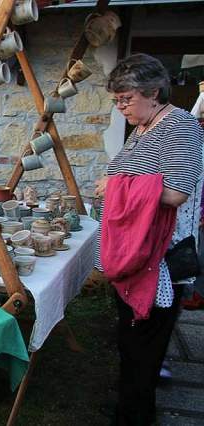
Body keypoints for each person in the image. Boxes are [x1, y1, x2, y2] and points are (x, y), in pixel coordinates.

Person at [95, 54, 204, 425]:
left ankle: (135, 417)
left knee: (144, 346)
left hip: (161, 257)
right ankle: (130, 408)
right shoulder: (144, 126)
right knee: (132, 340)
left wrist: (115, 186)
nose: (121, 106)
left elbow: (175, 192)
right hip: (137, 251)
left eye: (126, 99)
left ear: (154, 92)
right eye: (117, 100)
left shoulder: (180, 126)